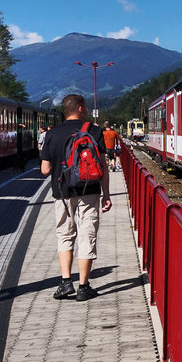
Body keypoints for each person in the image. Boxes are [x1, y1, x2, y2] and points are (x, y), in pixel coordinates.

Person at [39, 95, 111, 302]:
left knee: (65, 234)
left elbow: (45, 170)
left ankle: (65, 282)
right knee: (87, 234)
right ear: (80, 108)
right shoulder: (95, 131)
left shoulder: (52, 134)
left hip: (62, 192)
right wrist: (106, 194)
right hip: (90, 189)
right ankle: (83, 286)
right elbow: (103, 167)